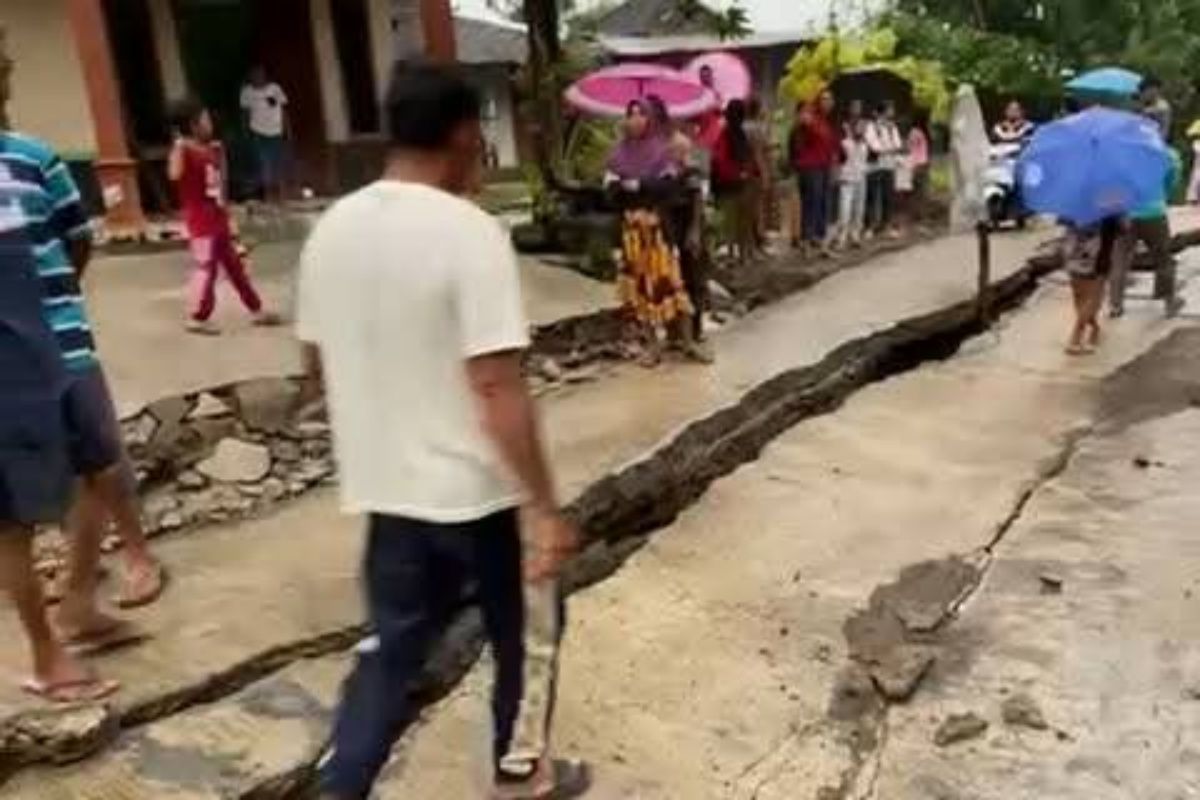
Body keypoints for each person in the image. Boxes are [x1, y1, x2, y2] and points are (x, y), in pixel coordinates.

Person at [297, 64, 588, 800]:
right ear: (464, 135)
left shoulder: (332, 228)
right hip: (477, 497)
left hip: (388, 494)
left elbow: (316, 363)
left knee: (391, 651)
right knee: (526, 638)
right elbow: (495, 385)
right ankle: (522, 776)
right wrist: (546, 508)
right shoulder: (470, 233)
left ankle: (342, 786)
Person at [1, 41, 162, 702]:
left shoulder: (34, 159)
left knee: (103, 469)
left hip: (63, 345)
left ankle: (76, 607)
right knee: (11, 516)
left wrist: (56, 305)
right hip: (7, 371)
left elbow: (78, 237)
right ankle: (46, 657)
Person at [169, 98, 280, 335]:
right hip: (200, 222)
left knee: (235, 267)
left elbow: (221, 186)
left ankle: (256, 309)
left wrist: (229, 217)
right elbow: (174, 173)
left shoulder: (214, 150)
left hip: (217, 217)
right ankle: (197, 316)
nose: (209, 124)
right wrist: (179, 146)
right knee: (205, 267)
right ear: (192, 124)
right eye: (205, 119)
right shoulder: (184, 150)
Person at [607, 100, 707, 364]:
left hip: (658, 228)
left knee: (671, 282)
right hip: (631, 231)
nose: (636, 119)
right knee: (641, 288)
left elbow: (667, 187)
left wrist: (638, 185)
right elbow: (611, 193)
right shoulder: (617, 154)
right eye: (631, 114)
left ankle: (687, 341)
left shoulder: (663, 151)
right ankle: (653, 345)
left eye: (642, 114)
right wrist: (627, 189)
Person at [1110, 145, 1185, 319]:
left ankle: (1115, 305)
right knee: (1163, 258)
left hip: (1127, 213)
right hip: (1154, 212)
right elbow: (1172, 181)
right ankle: (1169, 303)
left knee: (1120, 259)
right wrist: (1161, 196)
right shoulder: (1167, 154)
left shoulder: (1122, 152)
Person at [790, 90, 839, 257]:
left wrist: (833, 166)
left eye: (830, 99)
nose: (828, 102)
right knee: (811, 204)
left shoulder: (826, 123)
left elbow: (831, 147)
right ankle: (805, 242)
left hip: (824, 167)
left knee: (823, 205)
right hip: (810, 168)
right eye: (825, 99)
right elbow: (798, 134)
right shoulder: (810, 118)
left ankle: (820, 241)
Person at [711, 99, 759, 267]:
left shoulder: (736, 133)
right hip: (732, 183)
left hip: (733, 183)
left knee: (735, 221)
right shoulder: (728, 135)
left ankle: (738, 254)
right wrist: (740, 173)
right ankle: (738, 255)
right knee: (736, 221)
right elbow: (721, 160)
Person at [1064, 218, 1121, 355]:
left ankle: (1085, 331)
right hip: (1086, 253)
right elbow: (1123, 227)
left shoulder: (1111, 201)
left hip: (1086, 251)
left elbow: (1124, 226)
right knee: (1087, 298)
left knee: (1086, 297)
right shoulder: (1110, 203)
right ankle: (1085, 333)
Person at [240, 65, 290, 203]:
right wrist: (246, 132)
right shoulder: (247, 92)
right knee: (264, 164)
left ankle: (282, 197)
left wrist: (287, 129)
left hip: (276, 131)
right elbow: (245, 113)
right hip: (258, 132)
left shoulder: (275, 89)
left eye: (260, 74)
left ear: (265, 75)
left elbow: (284, 110)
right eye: (254, 74)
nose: (258, 77)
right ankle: (269, 196)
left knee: (278, 163)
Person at [865, 101, 904, 237]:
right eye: (890, 109)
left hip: (889, 165)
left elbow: (898, 144)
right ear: (883, 111)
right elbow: (874, 146)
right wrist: (889, 148)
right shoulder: (872, 126)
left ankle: (886, 225)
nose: (892, 112)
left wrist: (888, 149)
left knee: (888, 197)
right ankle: (870, 226)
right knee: (873, 197)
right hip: (875, 166)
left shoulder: (892, 127)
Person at [836, 118, 870, 249]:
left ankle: (855, 235)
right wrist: (839, 176)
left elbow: (865, 161)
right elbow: (838, 161)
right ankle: (841, 238)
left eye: (864, 127)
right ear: (854, 128)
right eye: (860, 127)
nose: (862, 130)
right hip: (847, 180)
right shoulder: (845, 144)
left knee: (859, 209)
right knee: (845, 210)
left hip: (861, 179)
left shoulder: (864, 145)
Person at [1139, 76, 1172, 140]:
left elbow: (1164, 131)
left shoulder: (1163, 106)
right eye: (1144, 92)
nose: (1144, 94)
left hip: (1155, 140)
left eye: (1146, 91)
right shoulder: (1147, 103)